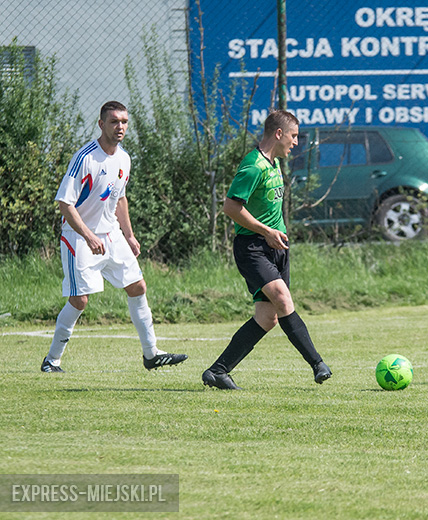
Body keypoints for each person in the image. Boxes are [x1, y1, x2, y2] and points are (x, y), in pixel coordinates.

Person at [41, 101, 188, 373]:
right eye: (114, 122)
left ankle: (151, 354)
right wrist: (88, 236)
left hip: (112, 236)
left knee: (138, 286)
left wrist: (129, 236)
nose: (120, 127)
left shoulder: (124, 158)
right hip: (78, 237)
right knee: (80, 300)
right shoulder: (85, 158)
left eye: (124, 122)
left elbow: (120, 198)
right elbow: (65, 203)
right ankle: (52, 360)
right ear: (101, 124)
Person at [202, 110, 331, 390]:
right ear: (279, 134)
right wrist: (266, 232)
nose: (296, 143)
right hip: (253, 247)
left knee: (267, 317)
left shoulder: (273, 163)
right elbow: (231, 208)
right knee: (284, 300)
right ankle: (317, 364)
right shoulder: (253, 165)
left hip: (276, 247)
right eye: (294, 136)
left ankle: (218, 371)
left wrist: (276, 235)